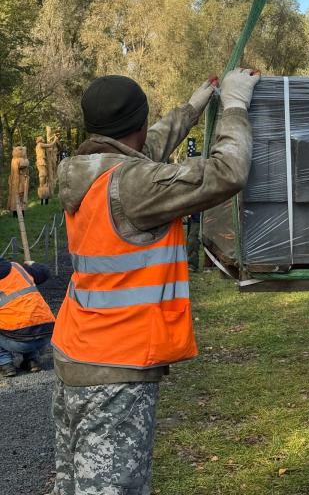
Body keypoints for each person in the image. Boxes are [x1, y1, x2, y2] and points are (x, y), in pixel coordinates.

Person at [51, 68, 260, 495]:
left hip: (76, 352)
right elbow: (226, 172)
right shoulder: (134, 186)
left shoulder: (83, 171)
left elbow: (146, 150)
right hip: (116, 368)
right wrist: (235, 106)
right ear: (140, 124)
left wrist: (192, 107)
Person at [0, 258, 55, 377]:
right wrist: (33, 264)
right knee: (25, 316)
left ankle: (5, 364)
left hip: (19, 340)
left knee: (14, 320)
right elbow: (45, 272)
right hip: (46, 335)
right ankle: (32, 361)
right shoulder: (18, 268)